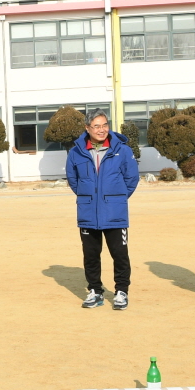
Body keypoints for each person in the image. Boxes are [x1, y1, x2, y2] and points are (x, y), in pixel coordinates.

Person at [65, 110, 140, 310]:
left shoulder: (122, 150)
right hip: (88, 213)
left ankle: (121, 292)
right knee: (91, 255)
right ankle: (95, 291)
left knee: (119, 254)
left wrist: (117, 198)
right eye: (96, 126)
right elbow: (73, 180)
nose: (102, 130)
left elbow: (132, 178)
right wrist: (89, 197)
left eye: (105, 125)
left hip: (115, 213)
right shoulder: (76, 152)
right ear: (87, 128)